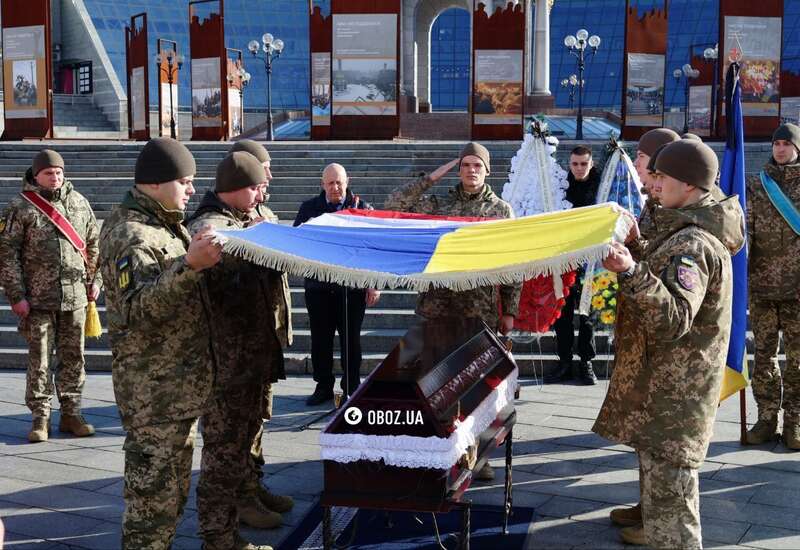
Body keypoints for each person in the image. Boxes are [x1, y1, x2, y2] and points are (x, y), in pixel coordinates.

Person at [594, 139, 745, 548]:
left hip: (675, 399)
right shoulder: (683, 229)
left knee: (674, 519)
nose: (653, 184)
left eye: (663, 177)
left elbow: (674, 319)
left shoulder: (693, 244)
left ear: (691, 186)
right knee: (663, 503)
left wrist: (630, 271)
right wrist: (638, 248)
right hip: (664, 394)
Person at [98, 138, 224, 549]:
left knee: (167, 503)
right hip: (154, 398)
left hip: (175, 392)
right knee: (150, 510)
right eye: (185, 182)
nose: (191, 190)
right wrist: (189, 266)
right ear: (155, 183)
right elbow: (136, 311)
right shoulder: (132, 235)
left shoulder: (161, 223)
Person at [384, 142, 521, 481]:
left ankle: (478, 452)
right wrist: (432, 177)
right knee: (435, 381)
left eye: (477, 165)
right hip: (438, 308)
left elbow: (515, 261)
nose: (471, 171)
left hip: (480, 309)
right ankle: (440, 449)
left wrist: (510, 310)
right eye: (464, 165)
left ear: (487, 170)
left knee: (478, 385)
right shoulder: (439, 203)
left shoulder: (501, 210)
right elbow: (395, 204)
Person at [187, 150, 291, 550]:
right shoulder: (212, 227)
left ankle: (240, 508)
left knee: (242, 441)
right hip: (225, 365)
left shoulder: (242, 220)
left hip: (249, 355)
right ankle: (219, 535)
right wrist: (267, 238)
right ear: (235, 189)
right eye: (255, 186)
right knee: (222, 454)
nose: (262, 191)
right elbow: (237, 261)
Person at [0, 149, 101, 443]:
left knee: (74, 359)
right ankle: (40, 417)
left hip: (76, 298)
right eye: (48, 173)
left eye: (58, 172)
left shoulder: (79, 203)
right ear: (36, 175)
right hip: (37, 300)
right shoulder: (20, 207)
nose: (54, 177)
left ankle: (71, 413)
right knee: (40, 361)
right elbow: (7, 255)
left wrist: (96, 282)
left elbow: (94, 244)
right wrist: (16, 295)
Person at [227, 140, 295, 517]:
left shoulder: (260, 210)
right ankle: (241, 497)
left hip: (264, 335)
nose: (268, 175)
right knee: (238, 425)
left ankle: (254, 484)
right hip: (241, 343)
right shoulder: (225, 219)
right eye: (263, 168)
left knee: (257, 419)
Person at [294, 163, 380, 405]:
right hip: (319, 288)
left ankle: (352, 387)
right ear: (322, 185)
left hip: (351, 289)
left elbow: (372, 250)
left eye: (339, 182)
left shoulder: (362, 208)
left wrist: (372, 283)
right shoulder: (309, 209)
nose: (335, 187)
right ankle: (323, 386)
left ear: (347, 181)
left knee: (351, 340)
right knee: (320, 340)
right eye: (330, 183)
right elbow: (297, 243)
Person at [745, 123, 800, 449]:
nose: (780, 149)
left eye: (786, 144)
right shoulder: (757, 185)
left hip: (797, 290)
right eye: (776, 143)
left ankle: (794, 421)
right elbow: (744, 232)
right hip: (763, 287)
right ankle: (766, 419)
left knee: (797, 361)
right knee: (763, 359)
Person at [550, 145, 599, 384]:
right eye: (575, 164)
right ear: (569, 164)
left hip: (591, 257)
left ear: (591, 164)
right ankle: (565, 362)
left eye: (584, 164)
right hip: (565, 256)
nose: (579, 169)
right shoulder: (560, 185)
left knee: (587, 313)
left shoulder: (601, 183)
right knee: (563, 314)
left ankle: (586, 362)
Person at [632, 128, 680, 242]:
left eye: (641, 156)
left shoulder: (671, 203)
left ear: (657, 159)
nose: (635, 163)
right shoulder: (654, 197)